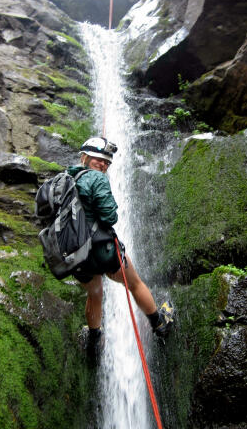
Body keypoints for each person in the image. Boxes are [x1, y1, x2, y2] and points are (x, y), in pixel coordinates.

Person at [67, 137, 174, 354]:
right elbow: (109, 216)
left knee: (95, 293)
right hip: (101, 250)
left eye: (107, 162)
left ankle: (94, 340)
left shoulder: (66, 178)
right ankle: (159, 323)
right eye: (99, 159)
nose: (103, 165)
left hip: (77, 253)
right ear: (85, 157)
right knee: (134, 283)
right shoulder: (96, 178)